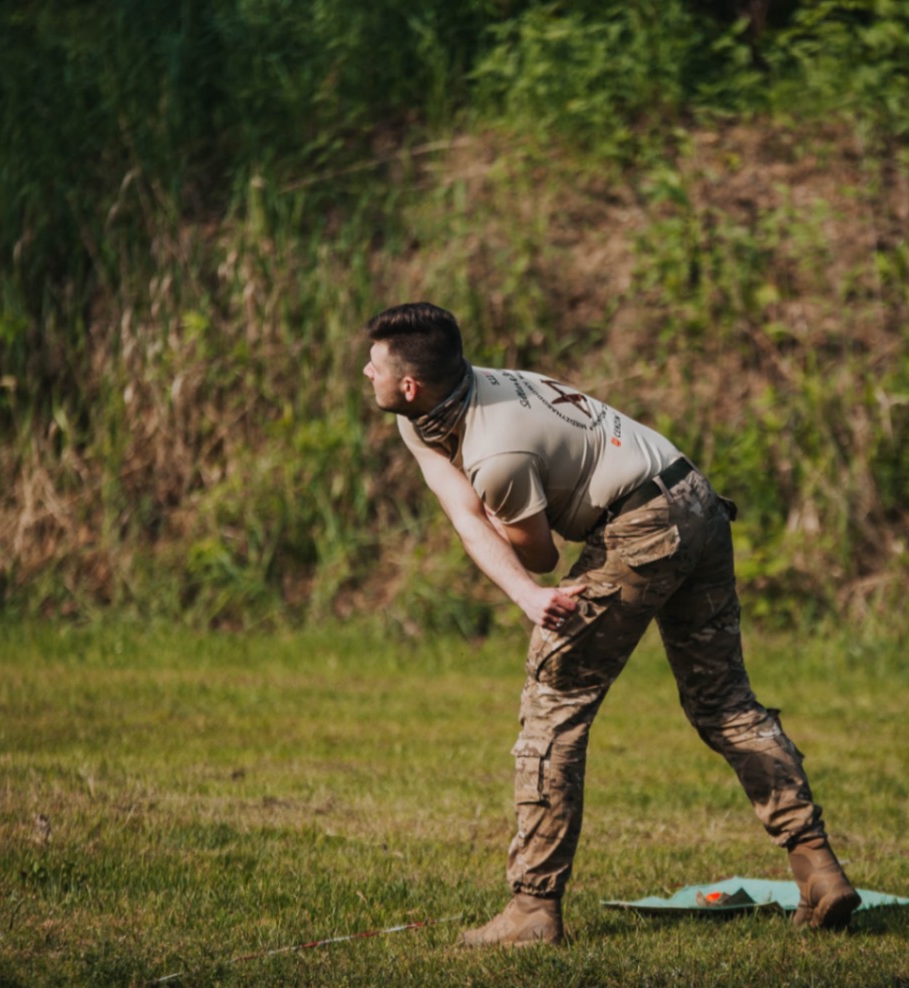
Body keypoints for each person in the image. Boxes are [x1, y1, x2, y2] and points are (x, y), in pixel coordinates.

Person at [362, 302, 860, 946]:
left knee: (556, 697)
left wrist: (532, 590)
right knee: (724, 702)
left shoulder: (496, 452)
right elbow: (461, 511)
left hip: (642, 523)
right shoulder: (446, 397)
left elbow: (538, 552)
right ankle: (818, 868)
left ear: (409, 386)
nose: (363, 371)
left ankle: (533, 910)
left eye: (373, 365)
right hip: (696, 501)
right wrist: (522, 595)